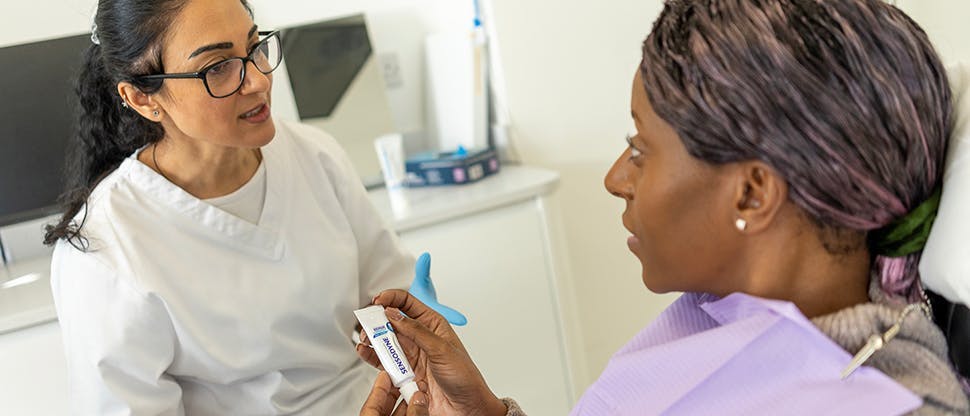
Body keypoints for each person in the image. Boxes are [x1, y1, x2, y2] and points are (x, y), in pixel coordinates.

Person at [357, 0, 970, 415]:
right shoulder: (725, 316)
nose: (614, 179)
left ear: (752, 194)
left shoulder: (878, 399)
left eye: (639, 148)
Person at [43, 0, 414, 413]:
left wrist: (415, 348)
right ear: (142, 98)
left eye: (254, 47)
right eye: (217, 66)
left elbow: (395, 303)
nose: (257, 80)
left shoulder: (313, 155)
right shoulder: (105, 251)